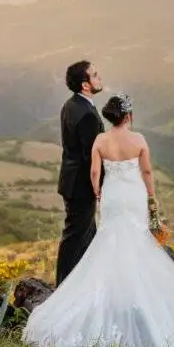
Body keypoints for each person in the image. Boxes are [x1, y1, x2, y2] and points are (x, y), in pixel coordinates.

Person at [23, 93, 174, 347]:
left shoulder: (100, 140)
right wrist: (152, 198)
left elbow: (94, 171)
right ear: (128, 116)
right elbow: (146, 171)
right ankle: (137, 294)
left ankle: (115, 296)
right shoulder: (139, 140)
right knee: (138, 243)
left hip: (112, 196)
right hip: (133, 195)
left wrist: (99, 193)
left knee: (109, 242)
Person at [55, 60, 105, 286]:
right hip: (82, 185)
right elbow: (90, 157)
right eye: (95, 75)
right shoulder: (86, 114)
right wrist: (100, 185)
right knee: (76, 238)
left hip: (72, 181)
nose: (99, 77)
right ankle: (63, 288)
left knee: (87, 237)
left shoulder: (70, 104)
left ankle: (83, 286)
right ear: (86, 85)